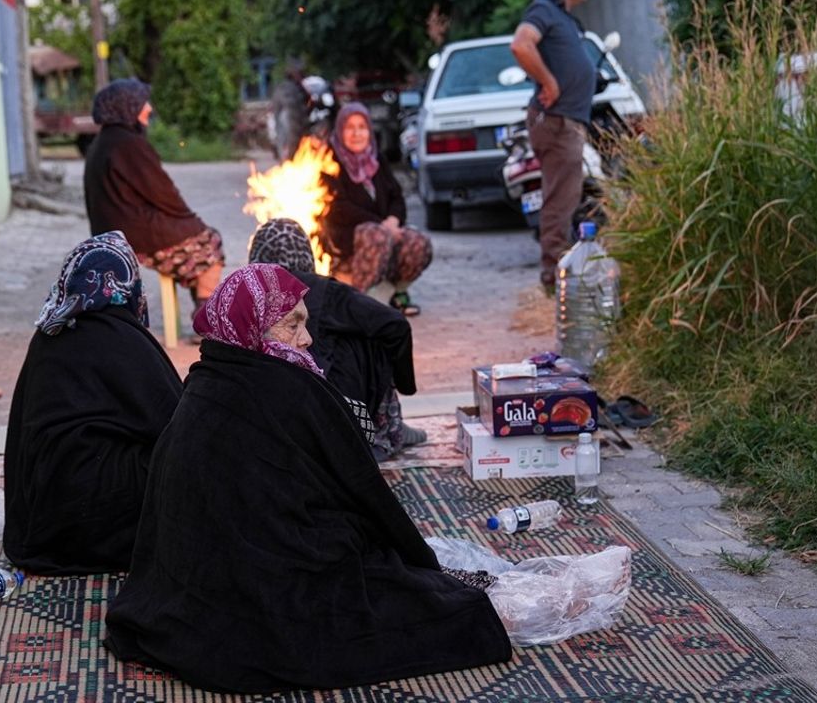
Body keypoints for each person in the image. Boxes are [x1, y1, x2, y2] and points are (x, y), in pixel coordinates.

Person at [104, 264, 512, 693]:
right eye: (292, 324)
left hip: (196, 592)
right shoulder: (287, 387)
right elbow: (364, 493)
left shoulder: (207, 377)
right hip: (272, 588)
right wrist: (419, 564)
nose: (307, 338)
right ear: (253, 328)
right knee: (446, 610)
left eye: (305, 321)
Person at [3, 232, 184, 574]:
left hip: (42, 519)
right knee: (182, 466)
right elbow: (177, 425)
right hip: (92, 517)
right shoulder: (122, 337)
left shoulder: (49, 333)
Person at [247, 218, 426, 459]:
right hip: (324, 407)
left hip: (261, 412)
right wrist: (406, 385)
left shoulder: (244, 294)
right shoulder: (322, 291)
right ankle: (386, 428)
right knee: (371, 331)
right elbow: (395, 325)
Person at [84, 78, 225, 308]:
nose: (149, 108)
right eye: (143, 103)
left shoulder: (102, 142)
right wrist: (190, 219)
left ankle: (205, 312)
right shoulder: (128, 144)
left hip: (111, 231)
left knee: (195, 240)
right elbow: (163, 193)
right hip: (134, 234)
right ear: (126, 107)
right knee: (210, 243)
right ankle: (208, 320)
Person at [510, 0, 597, 290]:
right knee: (561, 199)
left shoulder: (561, 16)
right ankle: (554, 278)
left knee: (565, 197)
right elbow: (521, 45)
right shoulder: (543, 10)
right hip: (558, 123)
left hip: (567, 121)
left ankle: (559, 270)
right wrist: (549, 82)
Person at [321, 102, 433, 315]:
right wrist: (381, 225)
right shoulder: (330, 162)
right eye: (350, 127)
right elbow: (338, 207)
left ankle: (393, 294)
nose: (357, 133)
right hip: (347, 241)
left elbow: (397, 197)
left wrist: (393, 220)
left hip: (383, 233)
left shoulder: (376, 159)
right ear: (340, 129)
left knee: (417, 242)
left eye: (362, 127)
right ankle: (362, 304)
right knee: (377, 236)